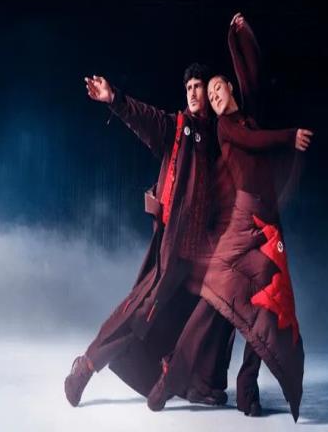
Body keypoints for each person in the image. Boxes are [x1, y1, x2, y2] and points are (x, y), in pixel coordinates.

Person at [64, 63, 236, 408]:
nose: (193, 93)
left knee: (213, 312)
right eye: (189, 87)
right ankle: (87, 365)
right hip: (175, 249)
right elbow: (145, 118)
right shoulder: (178, 128)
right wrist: (114, 98)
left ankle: (197, 384)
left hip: (207, 252)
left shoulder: (221, 138)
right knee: (142, 312)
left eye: (199, 87)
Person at [203, 13, 313, 420]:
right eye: (209, 94)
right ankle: (207, 377)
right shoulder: (226, 128)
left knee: (270, 304)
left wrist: (238, 34)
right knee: (233, 301)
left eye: (218, 87)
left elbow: (253, 72)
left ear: (230, 88)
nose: (213, 95)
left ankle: (247, 387)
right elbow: (253, 140)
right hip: (243, 224)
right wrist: (288, 135)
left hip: (270, 222)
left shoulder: (247, 112)